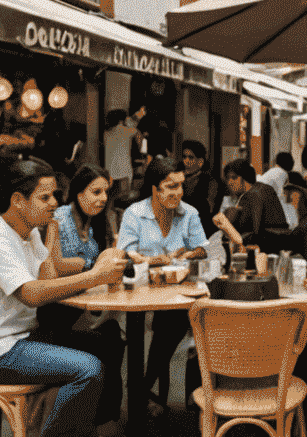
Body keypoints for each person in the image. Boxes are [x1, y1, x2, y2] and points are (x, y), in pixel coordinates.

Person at [0, 158, 130, 437]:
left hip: (24, 338)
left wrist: (49, 233)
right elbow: (34, 294)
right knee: (87, 368)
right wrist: (95, 274)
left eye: (55, 196)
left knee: (102, 343)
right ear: (18, 201)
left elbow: (48, 278)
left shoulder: (27, 233)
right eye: (46, 197)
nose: (55, 203)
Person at [116, 155, 207, 411]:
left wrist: (187, 253)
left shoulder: (188, 213)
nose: (178, 192)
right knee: (172, 322)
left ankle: (141, 389)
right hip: (142, 291)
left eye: (180, 185)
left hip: (176, 293)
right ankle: (143, 388)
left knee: (177, 320)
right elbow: (124, 253)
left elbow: (203, 248)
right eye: (170, 186)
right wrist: (149, 260)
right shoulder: (136, 214)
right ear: (155, 189)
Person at [213, 157, 290, 250]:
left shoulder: (255, 193)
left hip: (269, 246)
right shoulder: (256, 191)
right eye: (227, 179)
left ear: (244, 177)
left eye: (234, 178)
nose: (230, 183)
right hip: (272, 243)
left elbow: (256, 231)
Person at [180, 139, 221, 222]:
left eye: (191, 158)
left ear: (200, 162)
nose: (186, 161)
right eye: (184, 157)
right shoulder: (178, 178)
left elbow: (209, 210)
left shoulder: (209, 181)